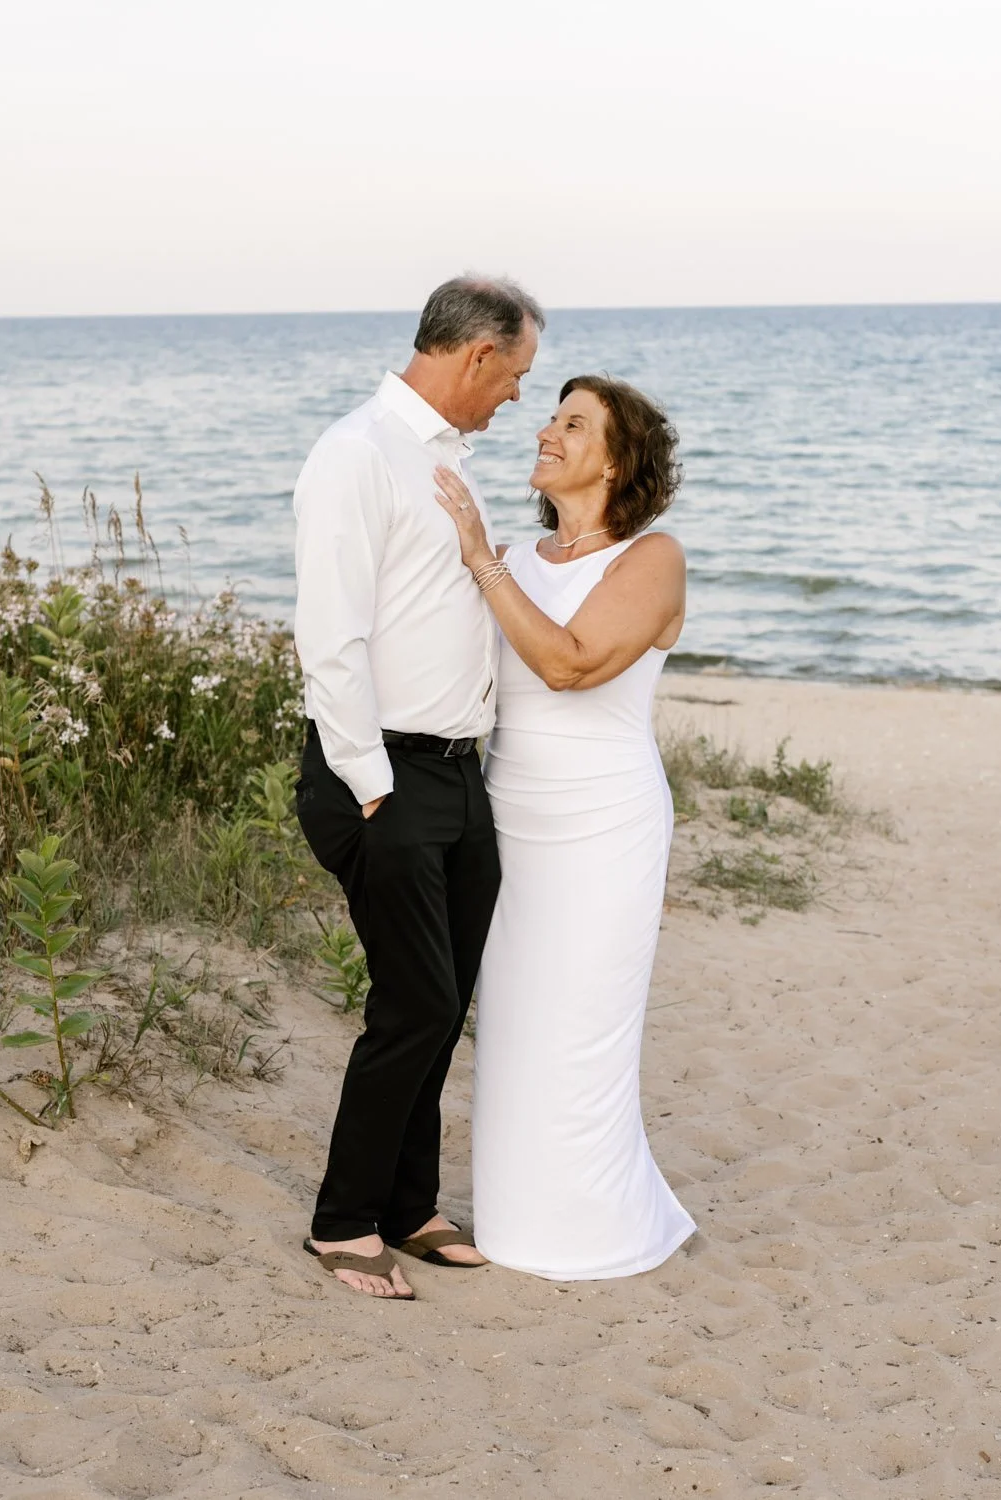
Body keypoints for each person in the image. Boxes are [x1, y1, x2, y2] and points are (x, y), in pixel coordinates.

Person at [292, 275, 543, 1299]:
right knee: (414, 1001)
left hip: (458, 774)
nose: (518, 397)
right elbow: (332, 637)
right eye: (517, 374)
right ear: (477, 355)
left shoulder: (450, 465)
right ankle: (343, 1221)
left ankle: (410, 1206)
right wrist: (372, 787)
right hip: (383, 773)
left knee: (445, 1006)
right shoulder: (357, 454)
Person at [430, 373, 698, 1279]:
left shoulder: (650, 560)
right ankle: (516, 1224)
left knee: (581, 1026)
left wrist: (481, 561)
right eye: (550, 415)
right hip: (508, 819)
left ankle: (598, 1230)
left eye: (573, 423)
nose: (546, 430)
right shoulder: (512, 555)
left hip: (604, 827)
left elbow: (571, 665)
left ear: (618, 461)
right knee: (511, 1029)